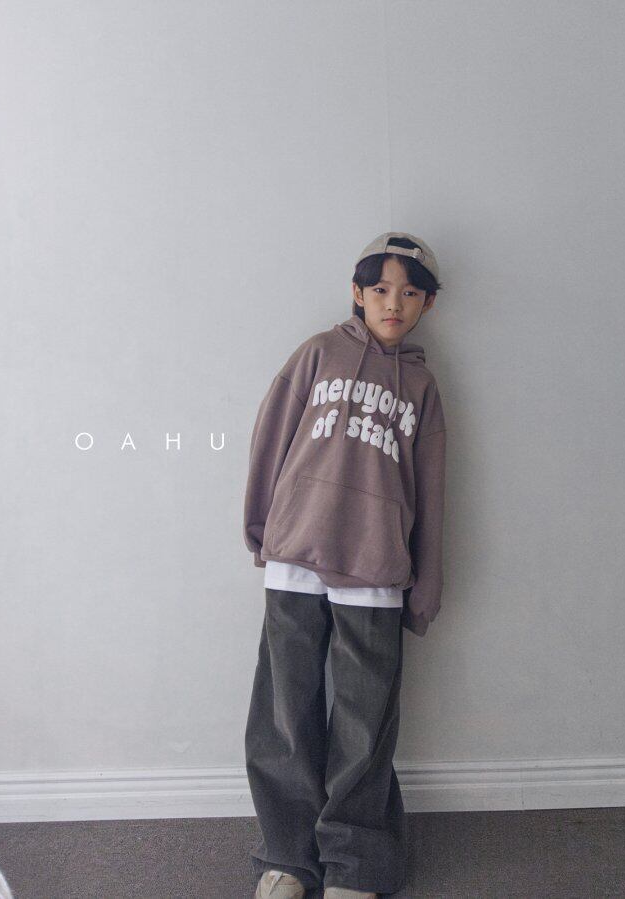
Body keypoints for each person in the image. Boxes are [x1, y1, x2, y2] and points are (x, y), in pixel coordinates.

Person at [243, 231, 447, 899]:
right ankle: (287, 857)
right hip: (296, 553)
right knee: (285, 710)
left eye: (409, 293)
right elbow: (271, 437)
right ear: (357, 293)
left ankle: (355, 866)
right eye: (381, 289)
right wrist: (261, 527)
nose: (393, 303)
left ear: (427, 304)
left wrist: (424, 584)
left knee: (365, 722)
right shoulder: (318, 355)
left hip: (377, 566)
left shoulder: (421, 385)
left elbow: (431, 487)